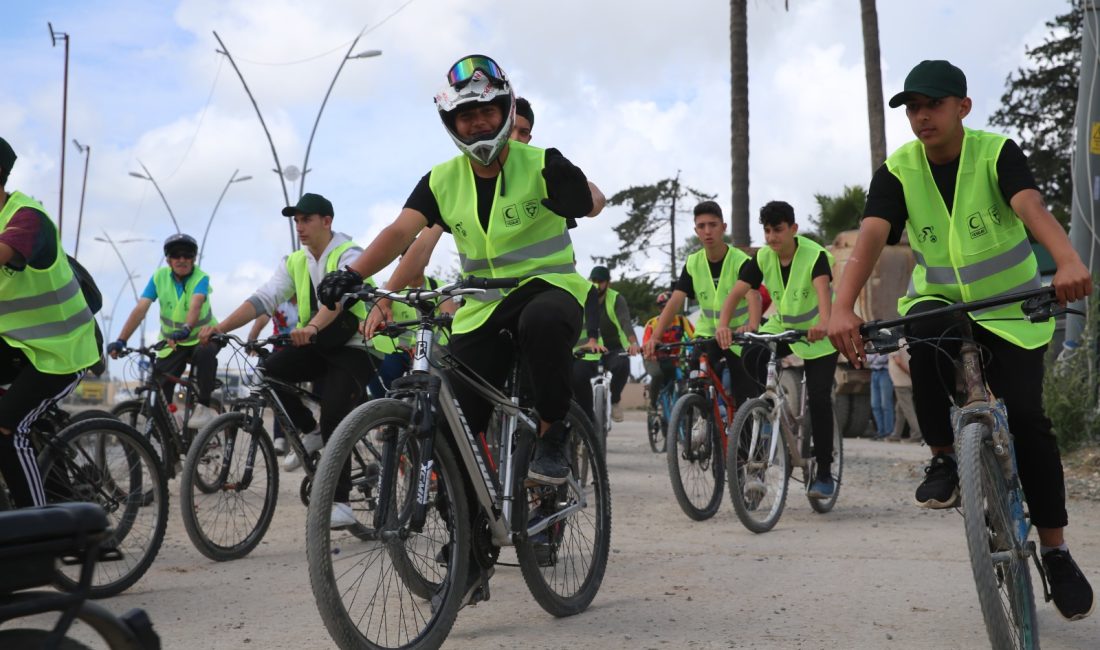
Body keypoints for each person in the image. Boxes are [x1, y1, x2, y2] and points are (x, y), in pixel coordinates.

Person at [316, 55, 601, 606]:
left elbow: (589, 201)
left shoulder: (540, 161)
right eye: (466, 115)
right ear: (451, 122)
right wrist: (350, 275)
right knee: (454, 429)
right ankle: (472, 552)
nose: (478, 123)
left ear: (506, 109)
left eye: (487, 110)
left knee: (542, 323)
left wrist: (582, 196)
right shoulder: (441, 180)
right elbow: (403, 231)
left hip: (548, 291)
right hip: (479, 309)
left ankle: (552, 432)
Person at [826, 59, 1093, 620]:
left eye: (933, 106)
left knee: (1026, 417)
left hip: (1013, 309)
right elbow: (871, 236)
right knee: (923, 334)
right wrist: (842, 308)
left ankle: (1057, 551)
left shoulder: (996, 153)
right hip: (942, 303)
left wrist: (1067, 260)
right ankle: (944, 460)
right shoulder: (898, 169)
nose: (921, 117)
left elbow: (1031, 208)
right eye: (912, 108)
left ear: (962, 108)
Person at [199, 192, 378, 529]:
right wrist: (220, 328)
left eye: (306, 219)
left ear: (327, 221)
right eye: (296, 221)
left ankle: (340, 501)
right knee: (268, 371)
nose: (300, 226)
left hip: (358, 344)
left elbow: (338, 301)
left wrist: (310, 326)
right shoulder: (294, 261)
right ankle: (309, 432)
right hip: (321, 341)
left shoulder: (349, 254)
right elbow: (264, 299)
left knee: (335, 413)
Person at [0, 136, 101, 508]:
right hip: (19, 345)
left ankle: (36, 534)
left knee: (5, 431)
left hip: (62, 351)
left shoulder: (25, 218)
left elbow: (5, 253)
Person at [716, 200, 839, 499]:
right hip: (783, 327)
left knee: (820, 398)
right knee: (750, 353)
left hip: (818, 335)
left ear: (793, 229)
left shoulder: (815, 255)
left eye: (778, 230)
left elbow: (823, 293)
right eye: (767, 231)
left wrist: (823, 323)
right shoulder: (762, 258)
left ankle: (823, 472)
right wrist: (723, 324)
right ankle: (765, 408)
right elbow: (736, 293)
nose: (771, 238)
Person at [643, 201, 762, 408]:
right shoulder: (693, 263)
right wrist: (655, 337)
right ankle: (701, 423)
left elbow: (754, 296)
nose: (707, 231)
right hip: (707, 334)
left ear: (724, 227)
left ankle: (744, 434)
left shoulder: (740, 260)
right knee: (695, 381)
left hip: (738, 336)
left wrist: (752, 326)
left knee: (744, 392)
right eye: (701, 226)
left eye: (713, 225)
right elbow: (674, 303)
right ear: (696, 230)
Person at [107, 233, 220, 427]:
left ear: (194, 258)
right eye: (176, 255)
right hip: (172, 343)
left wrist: (187, 328)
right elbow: (140, 309)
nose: (182, 259)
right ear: (168, 259)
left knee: (205, 353)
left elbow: (196, 304)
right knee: (157, 396)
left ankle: (203, 406)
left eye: (187, 255)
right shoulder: (159, 277)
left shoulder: (201, 278)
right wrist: (121, 340)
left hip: (203, 336)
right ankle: (172, 450)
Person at [572, 266, 640, 423]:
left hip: (612, 349)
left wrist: (633, 343)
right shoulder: (582, 296)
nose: (596, 284)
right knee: (577, 374)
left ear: (608, 283)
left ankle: (615, 400)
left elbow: (625, 322)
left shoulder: (616, 299)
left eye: (600, 281)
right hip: (589, 349)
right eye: (593, 280)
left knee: (623, 364)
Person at [247, 296, 298, 454]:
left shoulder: (307, 295)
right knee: (278, 393)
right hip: (281, 349)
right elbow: (263, 317)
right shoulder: (279, 298)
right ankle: (279, 438)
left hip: (304, 348)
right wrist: (252, 338)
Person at [642, 291, 694, 414]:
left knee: (685, 379)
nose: (665, 309)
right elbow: (646, 344)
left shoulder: (682, 321)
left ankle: (686, 410)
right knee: (657, 375)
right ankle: (653, 404)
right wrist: (650, 354)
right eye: (661, 306)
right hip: (655, 359)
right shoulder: (652, 324)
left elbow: (694, 337)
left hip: (674, 359)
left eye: (667, 306)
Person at [884, 339, 921, 443]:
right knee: (899, 409)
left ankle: (917, 434)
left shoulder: (893, 342)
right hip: (909, 381)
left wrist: (909, 372)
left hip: (901, 382)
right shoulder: (907, 342)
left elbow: (898, 361)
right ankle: (896, 434)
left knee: (908, 409)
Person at [866, 351, 894, 439]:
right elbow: (866, 358)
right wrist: (876, 356)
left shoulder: (885, 342)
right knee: (875, 405)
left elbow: (883, 359)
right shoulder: (871, 343)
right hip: (874, 373)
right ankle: (880, 431)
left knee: (886, 404)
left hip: (884, 373)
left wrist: (873, 356)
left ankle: (888, 432)